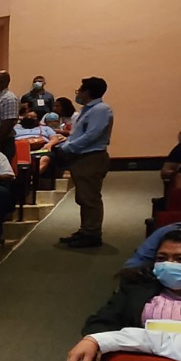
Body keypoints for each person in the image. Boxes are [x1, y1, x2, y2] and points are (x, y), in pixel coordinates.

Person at [83, 226, 181, 335]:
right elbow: (100, 323)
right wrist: (95, 341)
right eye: (161, 258)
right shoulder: (136, 287)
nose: (168, 264)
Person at [53, 76, 114, 249]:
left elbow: (91, 135)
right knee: (83, 196)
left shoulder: (101, 109)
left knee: (90, 197)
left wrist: (68, 148)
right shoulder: (86, 110)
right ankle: (85, 229)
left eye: (80, 89)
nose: (78, 93)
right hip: (82, 157)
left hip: (91, 157)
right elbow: (78, 134)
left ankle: (92, 234)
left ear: (88, 92)